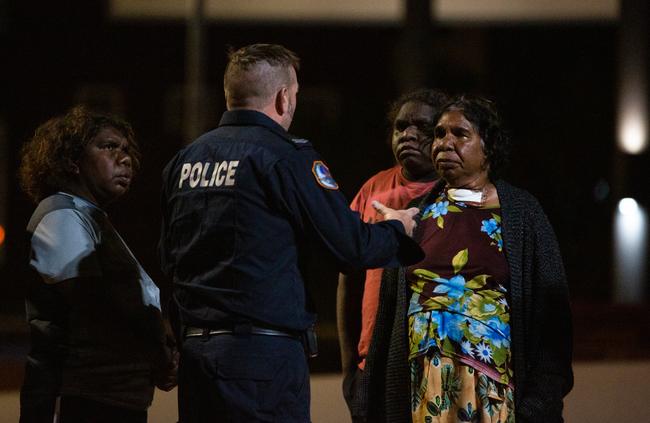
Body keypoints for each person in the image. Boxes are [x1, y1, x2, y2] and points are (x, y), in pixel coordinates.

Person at [159, 43, 424, 423]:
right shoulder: (285, 157)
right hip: (262, 360)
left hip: (198, 358)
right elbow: (349, 248)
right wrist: (397, 230)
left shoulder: (183, 162)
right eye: (296, 93)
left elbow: (168, 259)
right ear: (284, 98)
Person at [364, 95, 573, 422]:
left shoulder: (522, 215)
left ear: (488, 146)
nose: (444, 143)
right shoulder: (416, 217)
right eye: (439, 134)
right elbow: (388, 318)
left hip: (497, 398)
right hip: (422, 397)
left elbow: (554, 322)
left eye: (460, 134)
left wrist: (538, 406)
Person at [19, 106, 177, 423]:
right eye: (108, 147)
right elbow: (95, 307)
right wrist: (159, 355)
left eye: (127, 149)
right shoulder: (61, 215)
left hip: (108, 397)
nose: (125, 158)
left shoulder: (88, 217)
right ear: (71, 161)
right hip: (86, 399)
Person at [336, 89, 448, 421]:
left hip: (437, 359)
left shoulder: (459, 194)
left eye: (422, 127)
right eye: (401, 127)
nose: (408, 135)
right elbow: (348, 279)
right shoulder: (373, 190)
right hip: (374, 362)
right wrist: (349, 367)